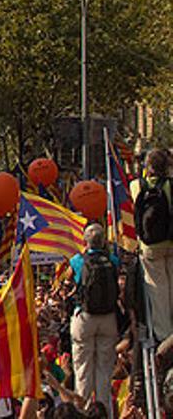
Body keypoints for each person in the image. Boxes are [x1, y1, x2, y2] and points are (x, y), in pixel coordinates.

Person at [68, 224, 120, 414]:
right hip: (108, 318)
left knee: (82, 373)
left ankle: (82, 414)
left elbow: (70, 279)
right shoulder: (112, 259)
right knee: (104, 373)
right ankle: (104, 412)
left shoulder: (78, 260)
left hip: (85, 318)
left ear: (85, 240)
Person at [131, 148, 173, 342]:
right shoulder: (170, 186)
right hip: (171, 242)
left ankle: (164, 334)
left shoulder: (136, 186)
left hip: (149, 247)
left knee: (158, 290)